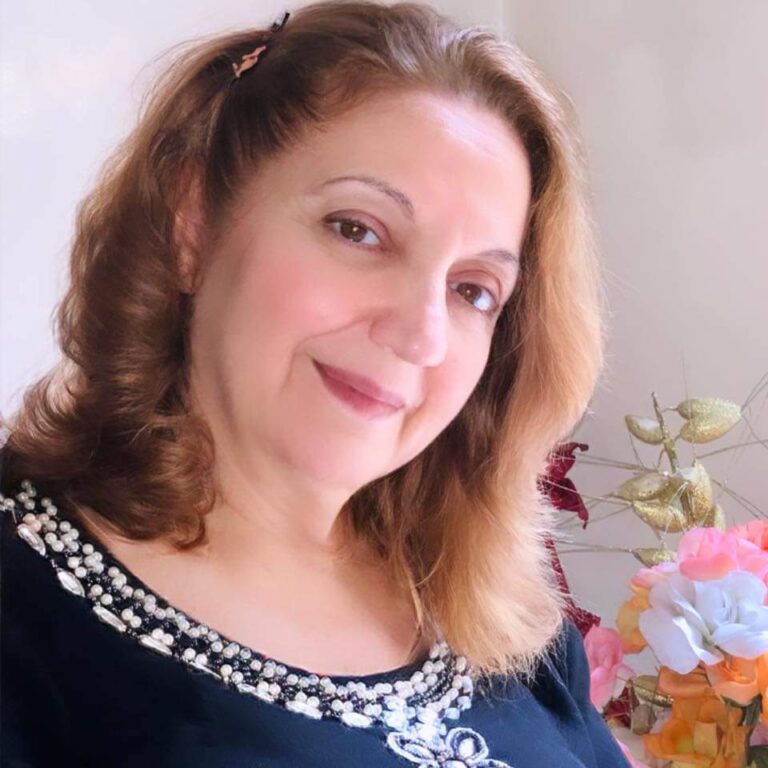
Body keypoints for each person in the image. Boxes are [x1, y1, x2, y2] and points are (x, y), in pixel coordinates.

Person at [0, 1, 630, 765]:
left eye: (473, 290)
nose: (421, 334)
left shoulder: (497, 617)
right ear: (192, 222)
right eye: (358, 230)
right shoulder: (25, 614)